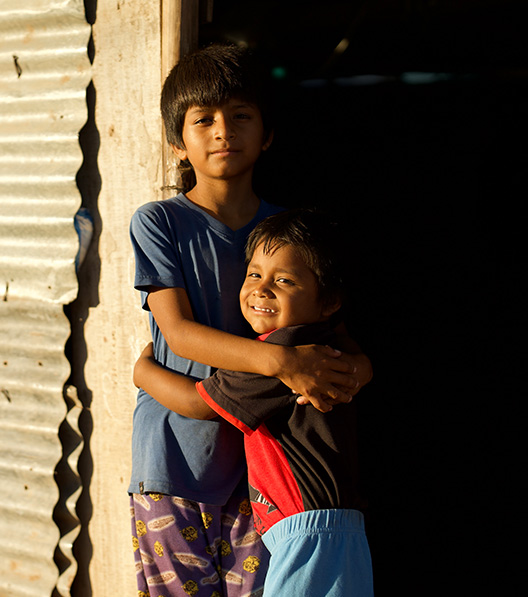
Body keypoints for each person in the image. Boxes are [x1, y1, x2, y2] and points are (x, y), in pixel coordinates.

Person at [129, 43, 372, 596]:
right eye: (203, 119)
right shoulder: (160, 222)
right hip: (172, 460)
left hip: (263, 470)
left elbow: (339, 345)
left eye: (241, 116)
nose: (223, 131)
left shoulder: (287, 232)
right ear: (177, 142)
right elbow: (180, 332)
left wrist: (357, 371)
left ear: (266, 134)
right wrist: (283, 362)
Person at [135, 209, 373, 597]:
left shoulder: (282, 357)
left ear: (329, 301)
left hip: (307, 534)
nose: (262, 289)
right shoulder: (327, 350)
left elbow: (197, 404)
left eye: (284, 280)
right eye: (254, 275)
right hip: (335, 528)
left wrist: (143, 372)